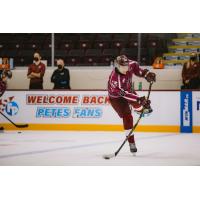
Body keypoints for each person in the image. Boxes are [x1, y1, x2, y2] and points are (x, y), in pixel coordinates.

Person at [107, 55, 156, 154]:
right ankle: (131, 142)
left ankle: (140, 109)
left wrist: (146, 74)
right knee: (127, 117)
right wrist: (139, 99)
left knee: (139, 103)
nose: (126, 68)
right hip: (116, 98)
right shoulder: (115, 79)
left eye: (126, 65)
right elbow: (125, 95)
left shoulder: (131, 64)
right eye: (123, 66)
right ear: (117, 66)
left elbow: (138, 70)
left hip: (128, 90)